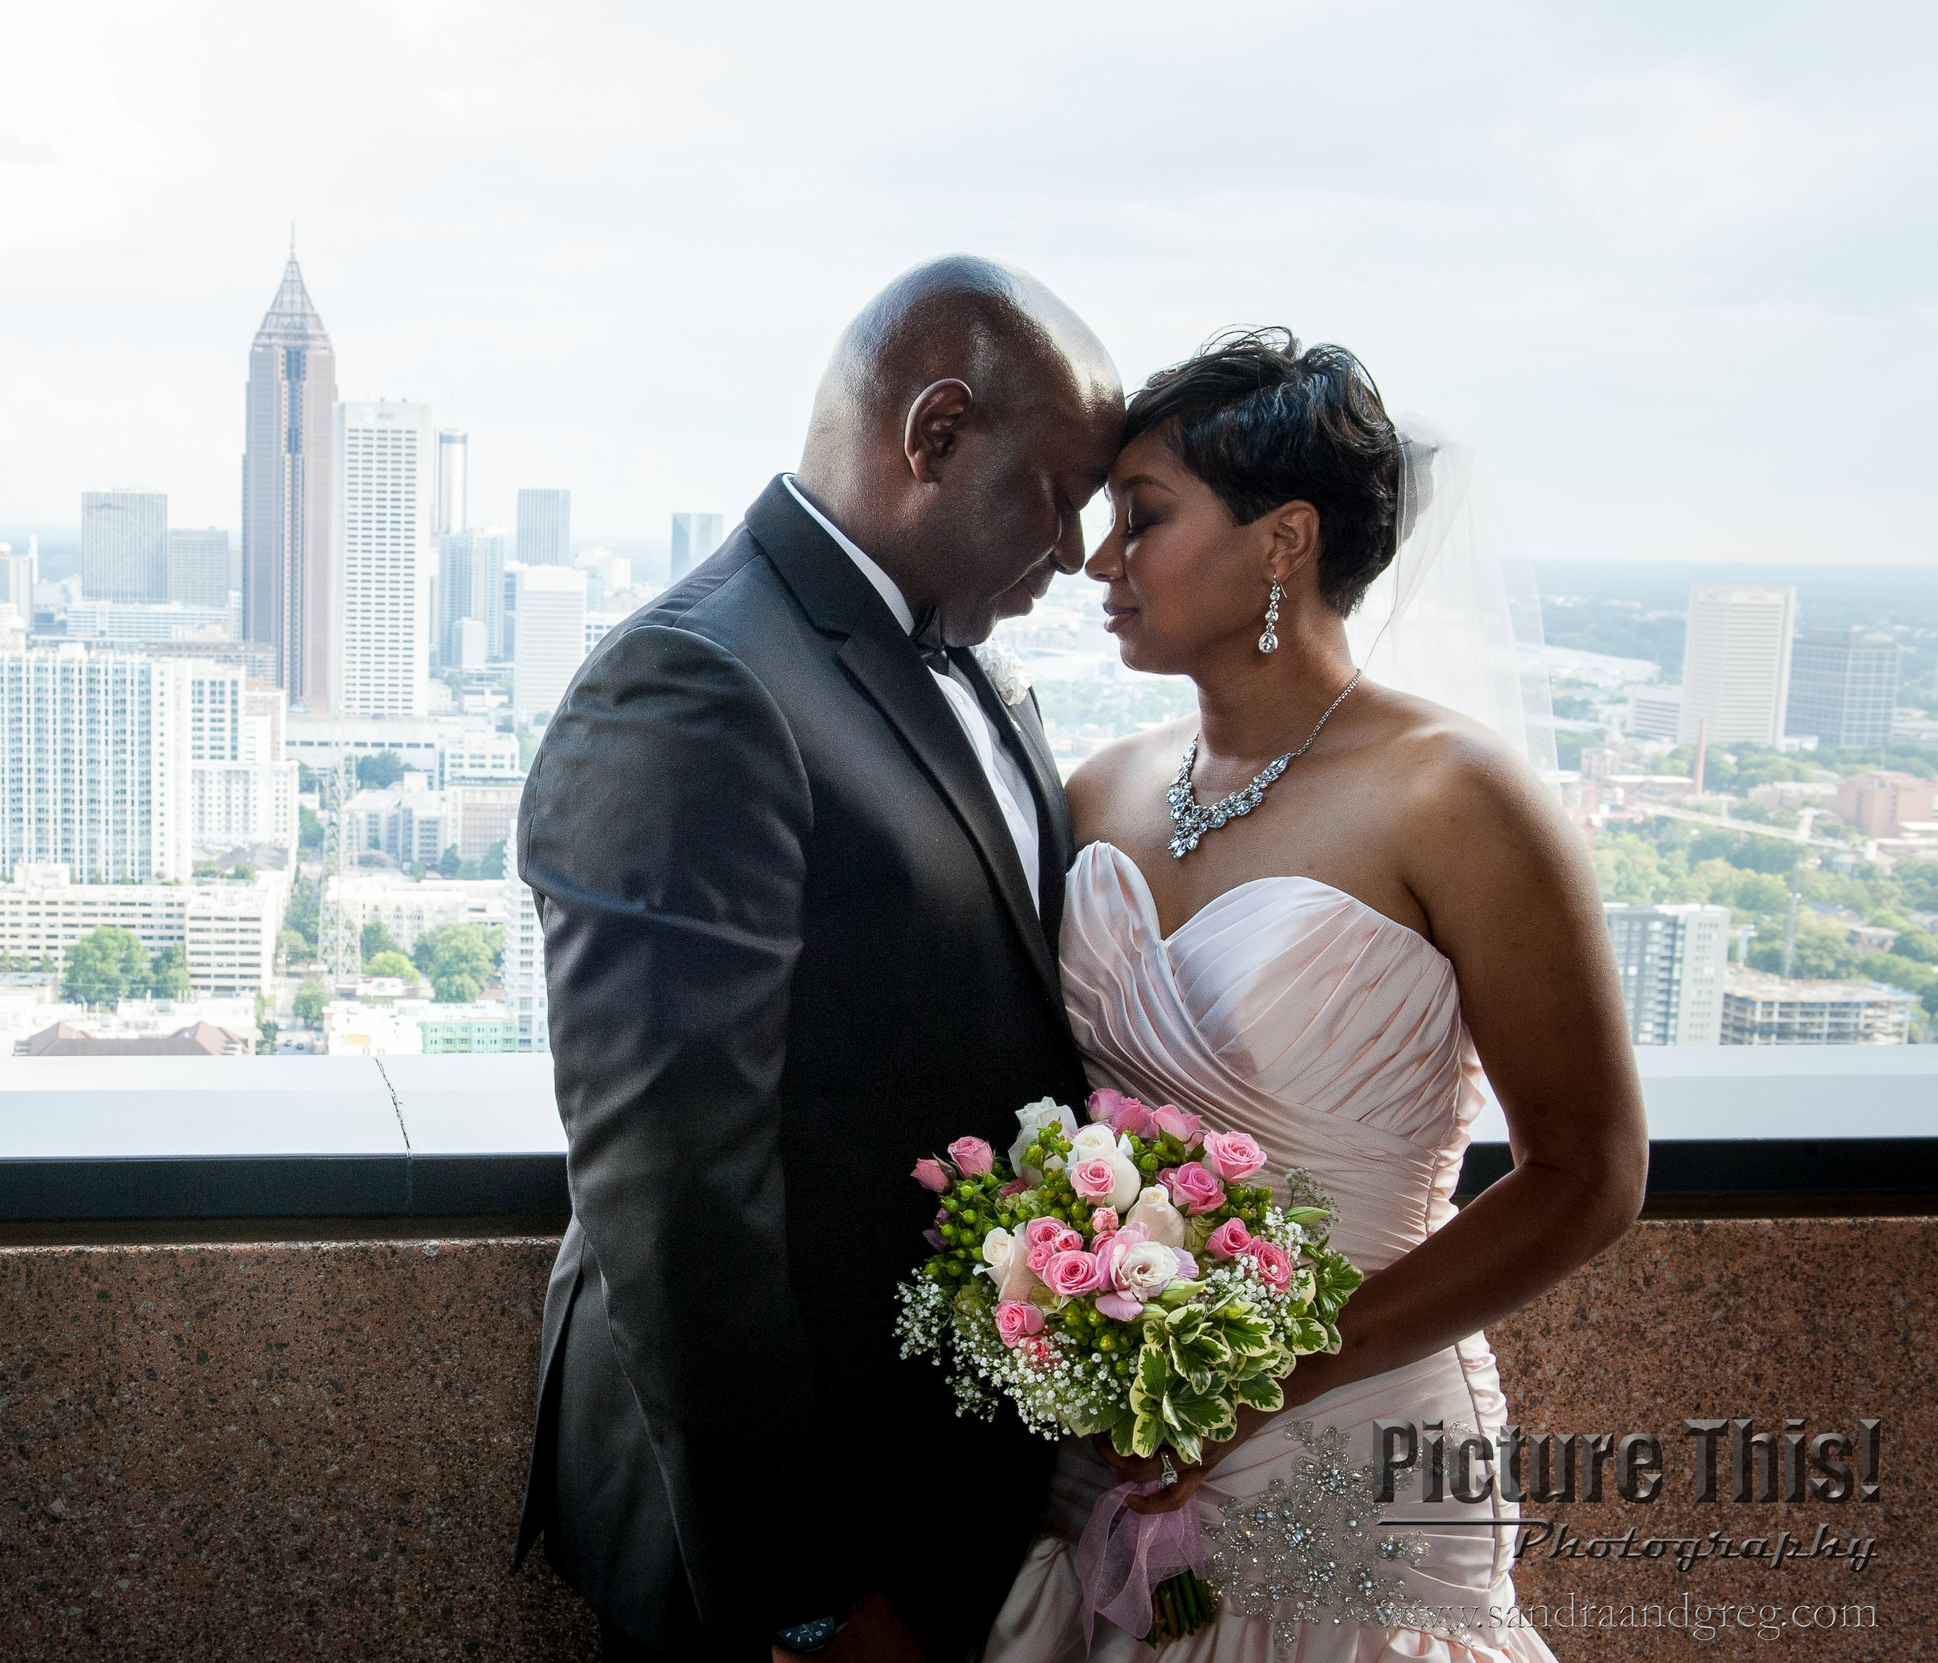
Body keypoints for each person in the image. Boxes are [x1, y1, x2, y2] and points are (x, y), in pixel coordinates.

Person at [981, 330, 1648, 1662]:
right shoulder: (1100, 788)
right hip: (1114, 1432)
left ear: (1283, 541)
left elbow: (1589, 1174)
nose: (1098, 562)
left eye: (1145, 520)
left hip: (1353, 1430)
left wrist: (1269, 1376)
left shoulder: (1455, 799)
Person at [512, 256, 1126, 1663]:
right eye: (1061, 492)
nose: (1083, 549)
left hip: (946, 1489)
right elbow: (670, 1195)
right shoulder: (694, 684)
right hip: (780, 1534)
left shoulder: (969, 663)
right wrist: (806, 1595)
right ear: (938, 435)